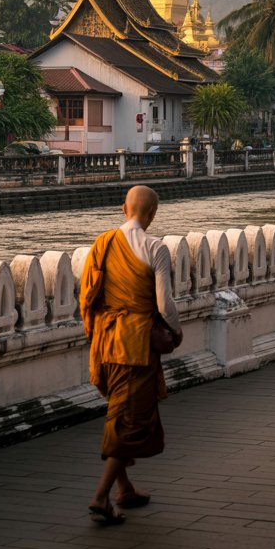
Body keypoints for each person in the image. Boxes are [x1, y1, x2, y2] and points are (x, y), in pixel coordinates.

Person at [80, 185, 183, 525]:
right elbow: (164, 303)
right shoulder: (156, 248)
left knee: (120, 410)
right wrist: (176, 331)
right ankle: (100, 497)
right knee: (127, 421)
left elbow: (88, 296)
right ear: (152, 213)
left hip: (106, 340)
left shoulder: (102, 244)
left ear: (124, 208)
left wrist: (94, 331)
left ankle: (124, 489)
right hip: (135, 344)